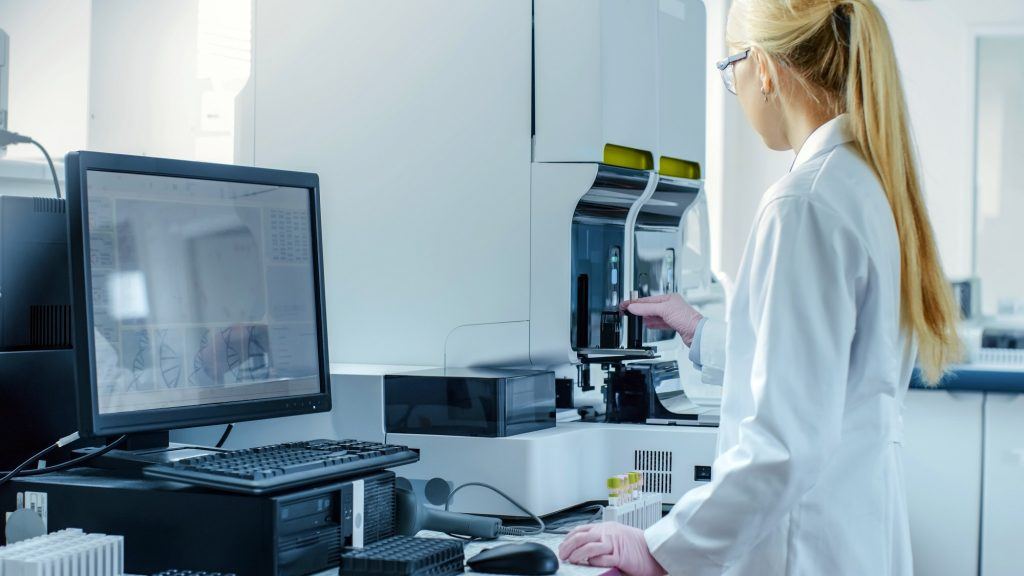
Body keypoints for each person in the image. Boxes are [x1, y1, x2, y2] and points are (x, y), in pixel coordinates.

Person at [557, 0, 962, 574]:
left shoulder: (803, 202)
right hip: (854, 531)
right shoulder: (863, 185)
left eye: (730, 68)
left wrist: (662, 547)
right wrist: (699, 329)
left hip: (807, 546)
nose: (734, 86)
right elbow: (822, 370)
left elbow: (783, 446)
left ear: (765, 67)